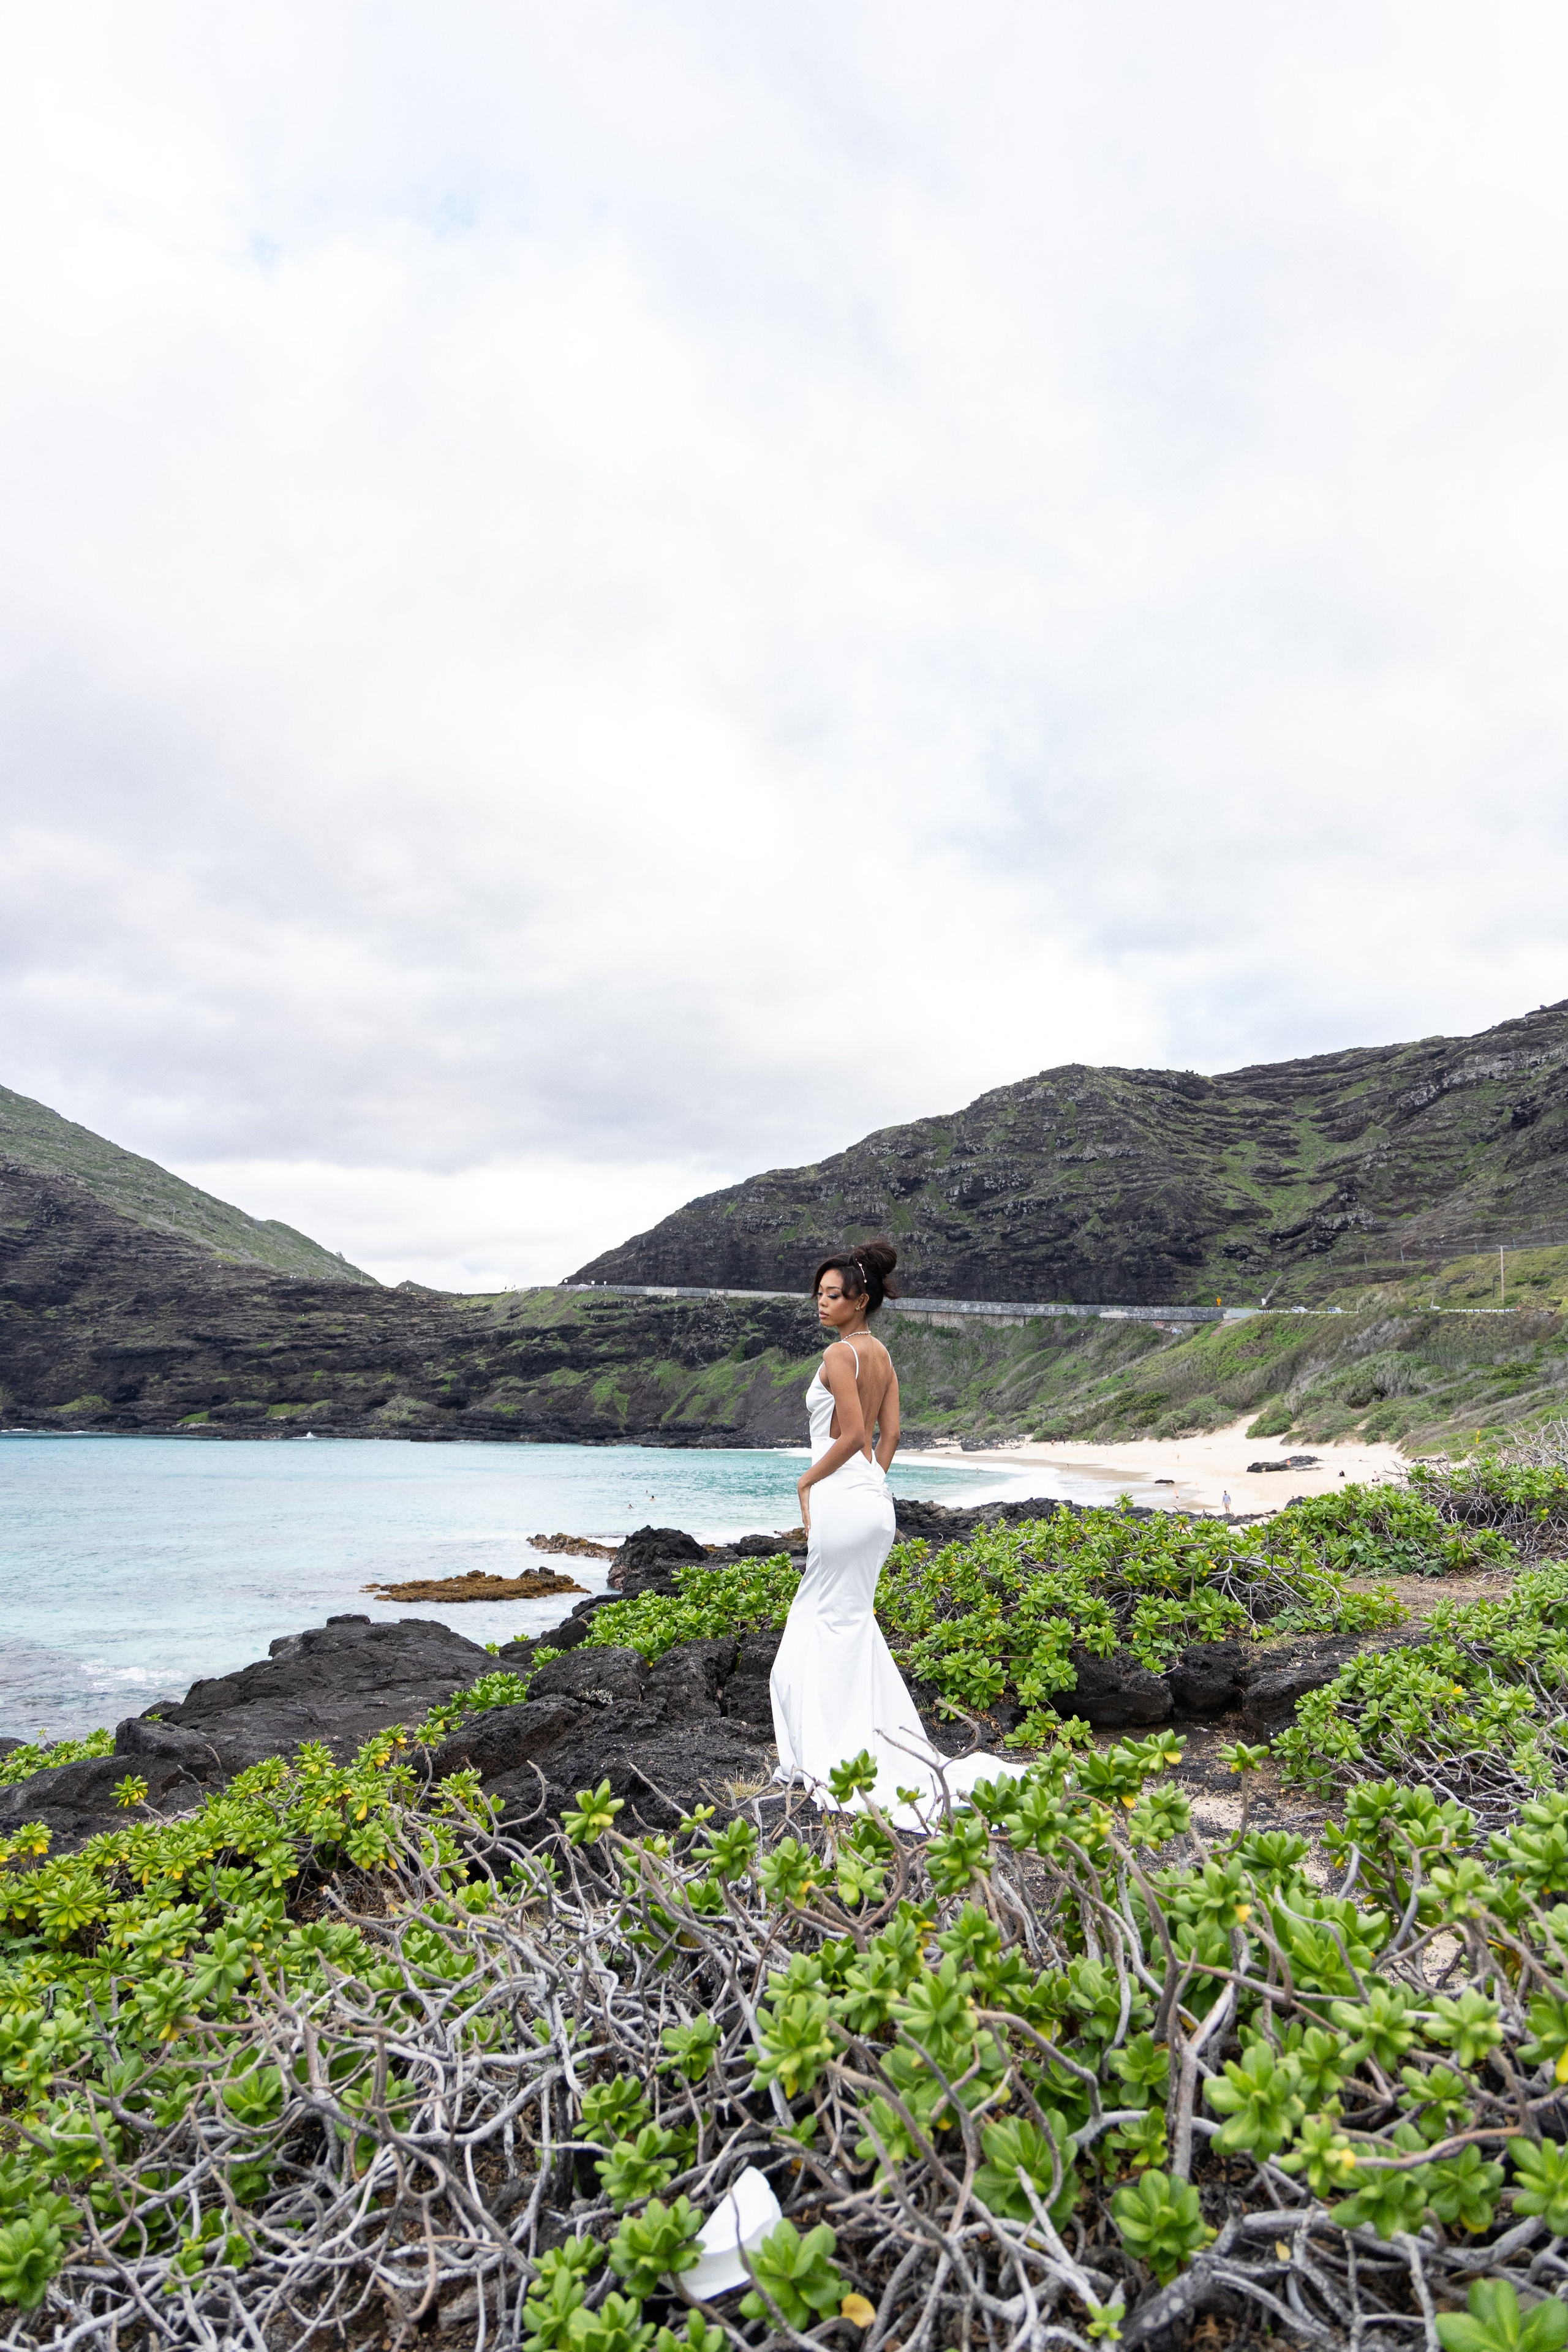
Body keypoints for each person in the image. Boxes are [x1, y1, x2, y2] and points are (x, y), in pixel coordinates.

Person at [769, 1238, 1009, 1827]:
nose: (821, 1304)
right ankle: (864, 1744)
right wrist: (870, 1485)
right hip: (874, 1502)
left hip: (842, 1501)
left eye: (832, 1296)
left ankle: (821, 1757)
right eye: (818, 1295)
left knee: (812, 1627)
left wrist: (807, 1484)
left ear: (861, 1299)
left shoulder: (837, 1356)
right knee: (849, 1624)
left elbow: (850, 1435)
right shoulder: (885, 1358)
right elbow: (890, 1438)